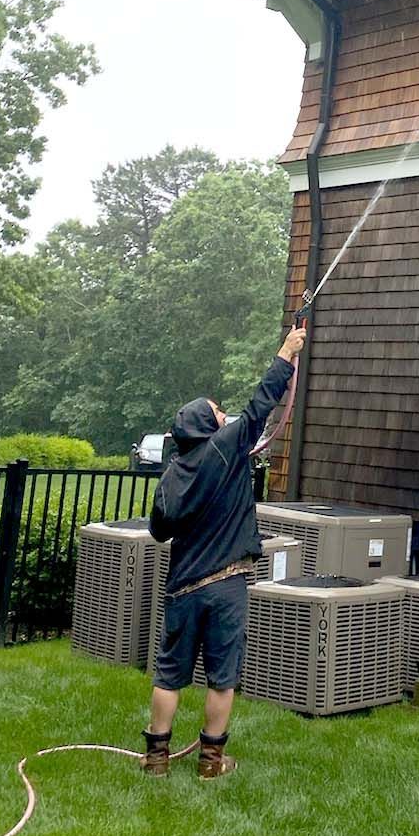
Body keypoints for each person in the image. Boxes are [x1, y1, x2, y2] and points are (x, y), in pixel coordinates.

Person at [141, 323, 308, 778]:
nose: (225, 416)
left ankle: (156, 758)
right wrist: (287, 351)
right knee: (222, 676)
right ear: (208, 424)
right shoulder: (226, 448)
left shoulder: (172, 476)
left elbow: (159, 531)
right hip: (225, 586)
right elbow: (261, 403)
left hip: (181, 591)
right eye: (218, 411)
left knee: (169, 675)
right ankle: (211, 761)